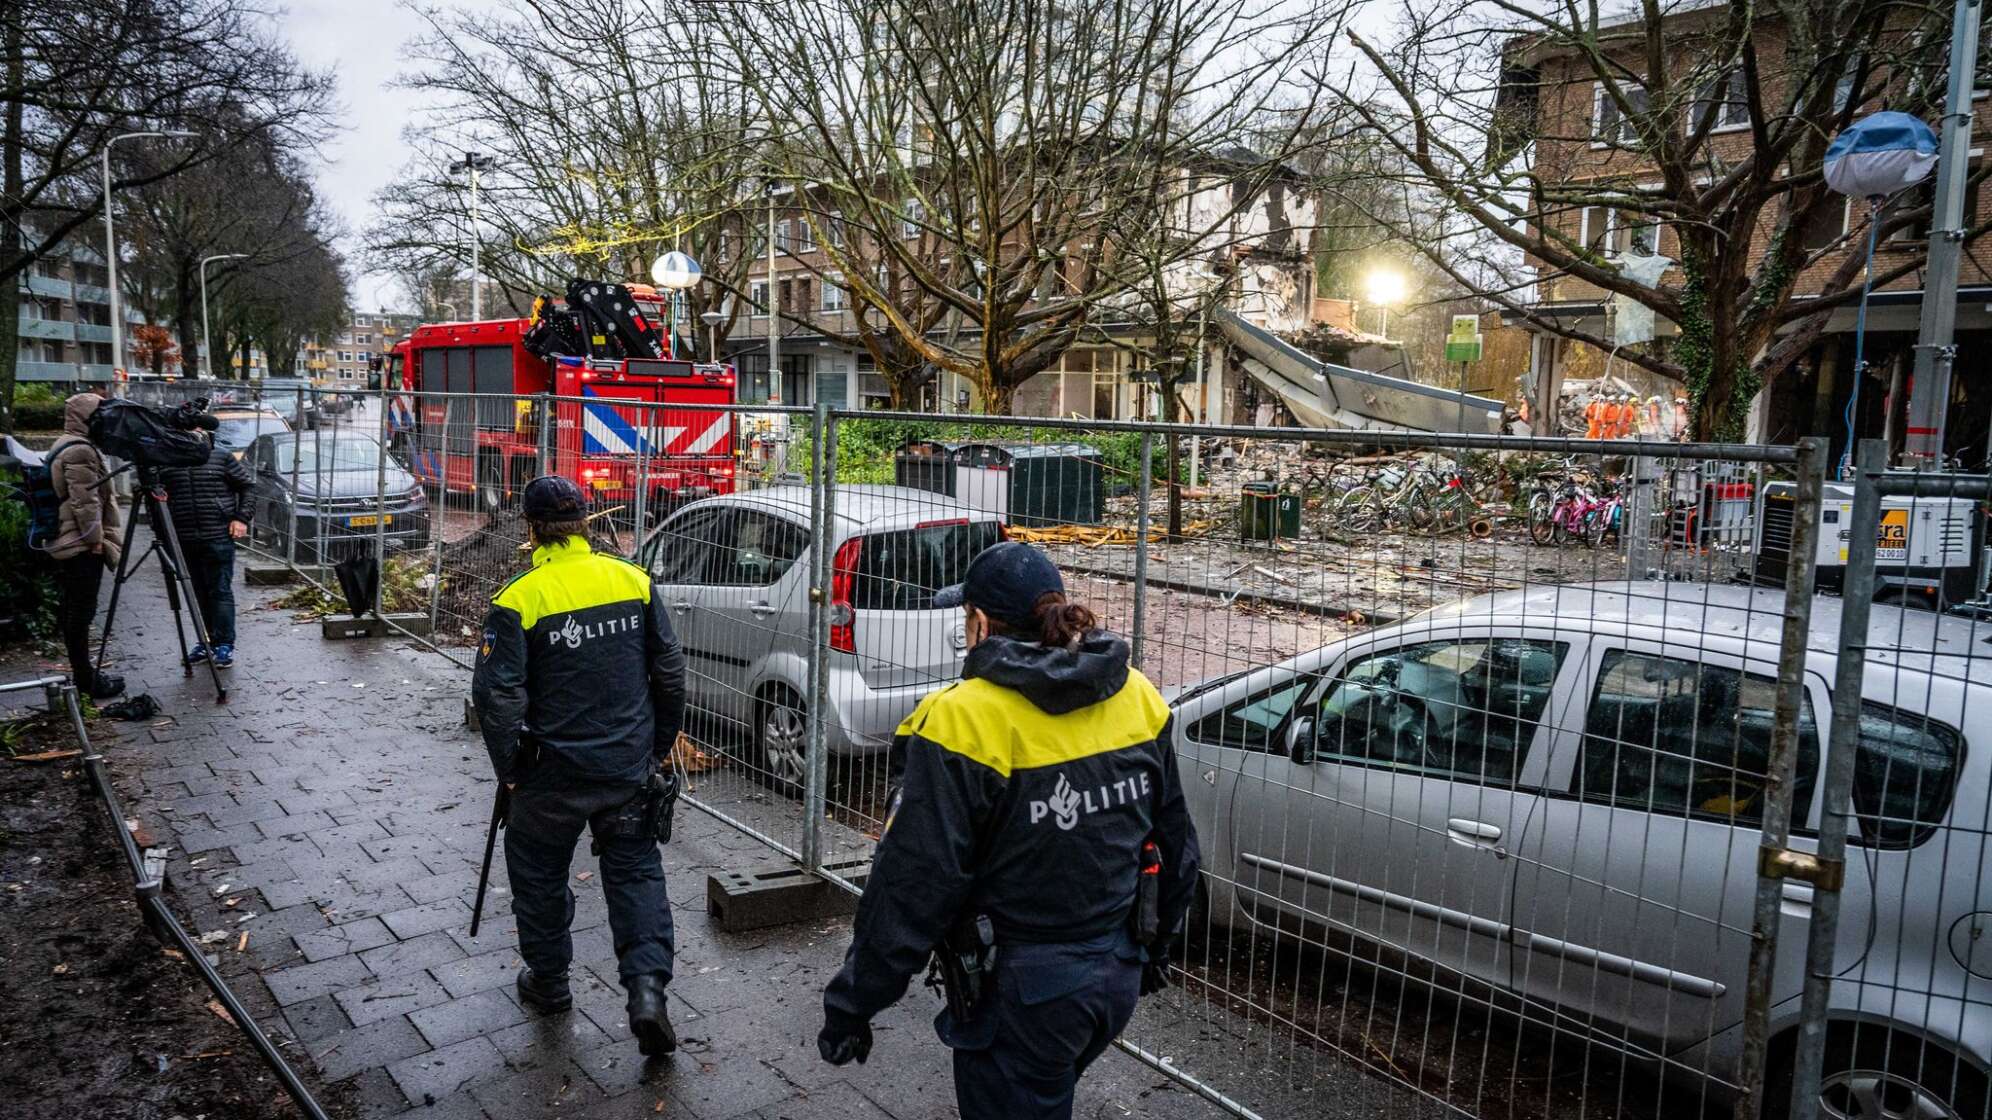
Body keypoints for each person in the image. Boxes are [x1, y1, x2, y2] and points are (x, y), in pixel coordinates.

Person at [817, 541, 1202, 1120]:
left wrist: (855, 1002)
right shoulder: (1135, 694)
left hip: (1023, 992)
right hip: (1115, 974)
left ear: (977, 623)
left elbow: (913, 883)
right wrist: (1154, 950)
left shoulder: (963, 719)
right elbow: (1178, 847)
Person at [470, 476, 688, 1056]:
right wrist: (657, 745)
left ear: (532, 528)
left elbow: (498, 699)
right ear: (587, 522)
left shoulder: (520, 597)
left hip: (550, 777)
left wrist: (510, 769)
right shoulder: (632, 580)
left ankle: (550, 982)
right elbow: (669, 671)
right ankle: (646, 991)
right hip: (625, 768)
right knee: (636, 873)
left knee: (539, 875)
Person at [45, 392, 124, 699]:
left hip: (71, 539)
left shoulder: (67, 443)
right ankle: (86, 679)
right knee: (81, 612)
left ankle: (85, 675)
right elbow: (85, 501)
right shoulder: (79, 450)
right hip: (79, 543)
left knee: (75, 611)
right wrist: (96, 541)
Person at [158, 432, 252, 668]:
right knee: (197, 592)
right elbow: (155, 500)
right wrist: (162, 534)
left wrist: (241, 518)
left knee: (219, 590)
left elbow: (248, 487)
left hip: (217, 535)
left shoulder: (220, 457)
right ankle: (206, 641)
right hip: (184, 538)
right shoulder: (167, 460)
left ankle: (224, 644)